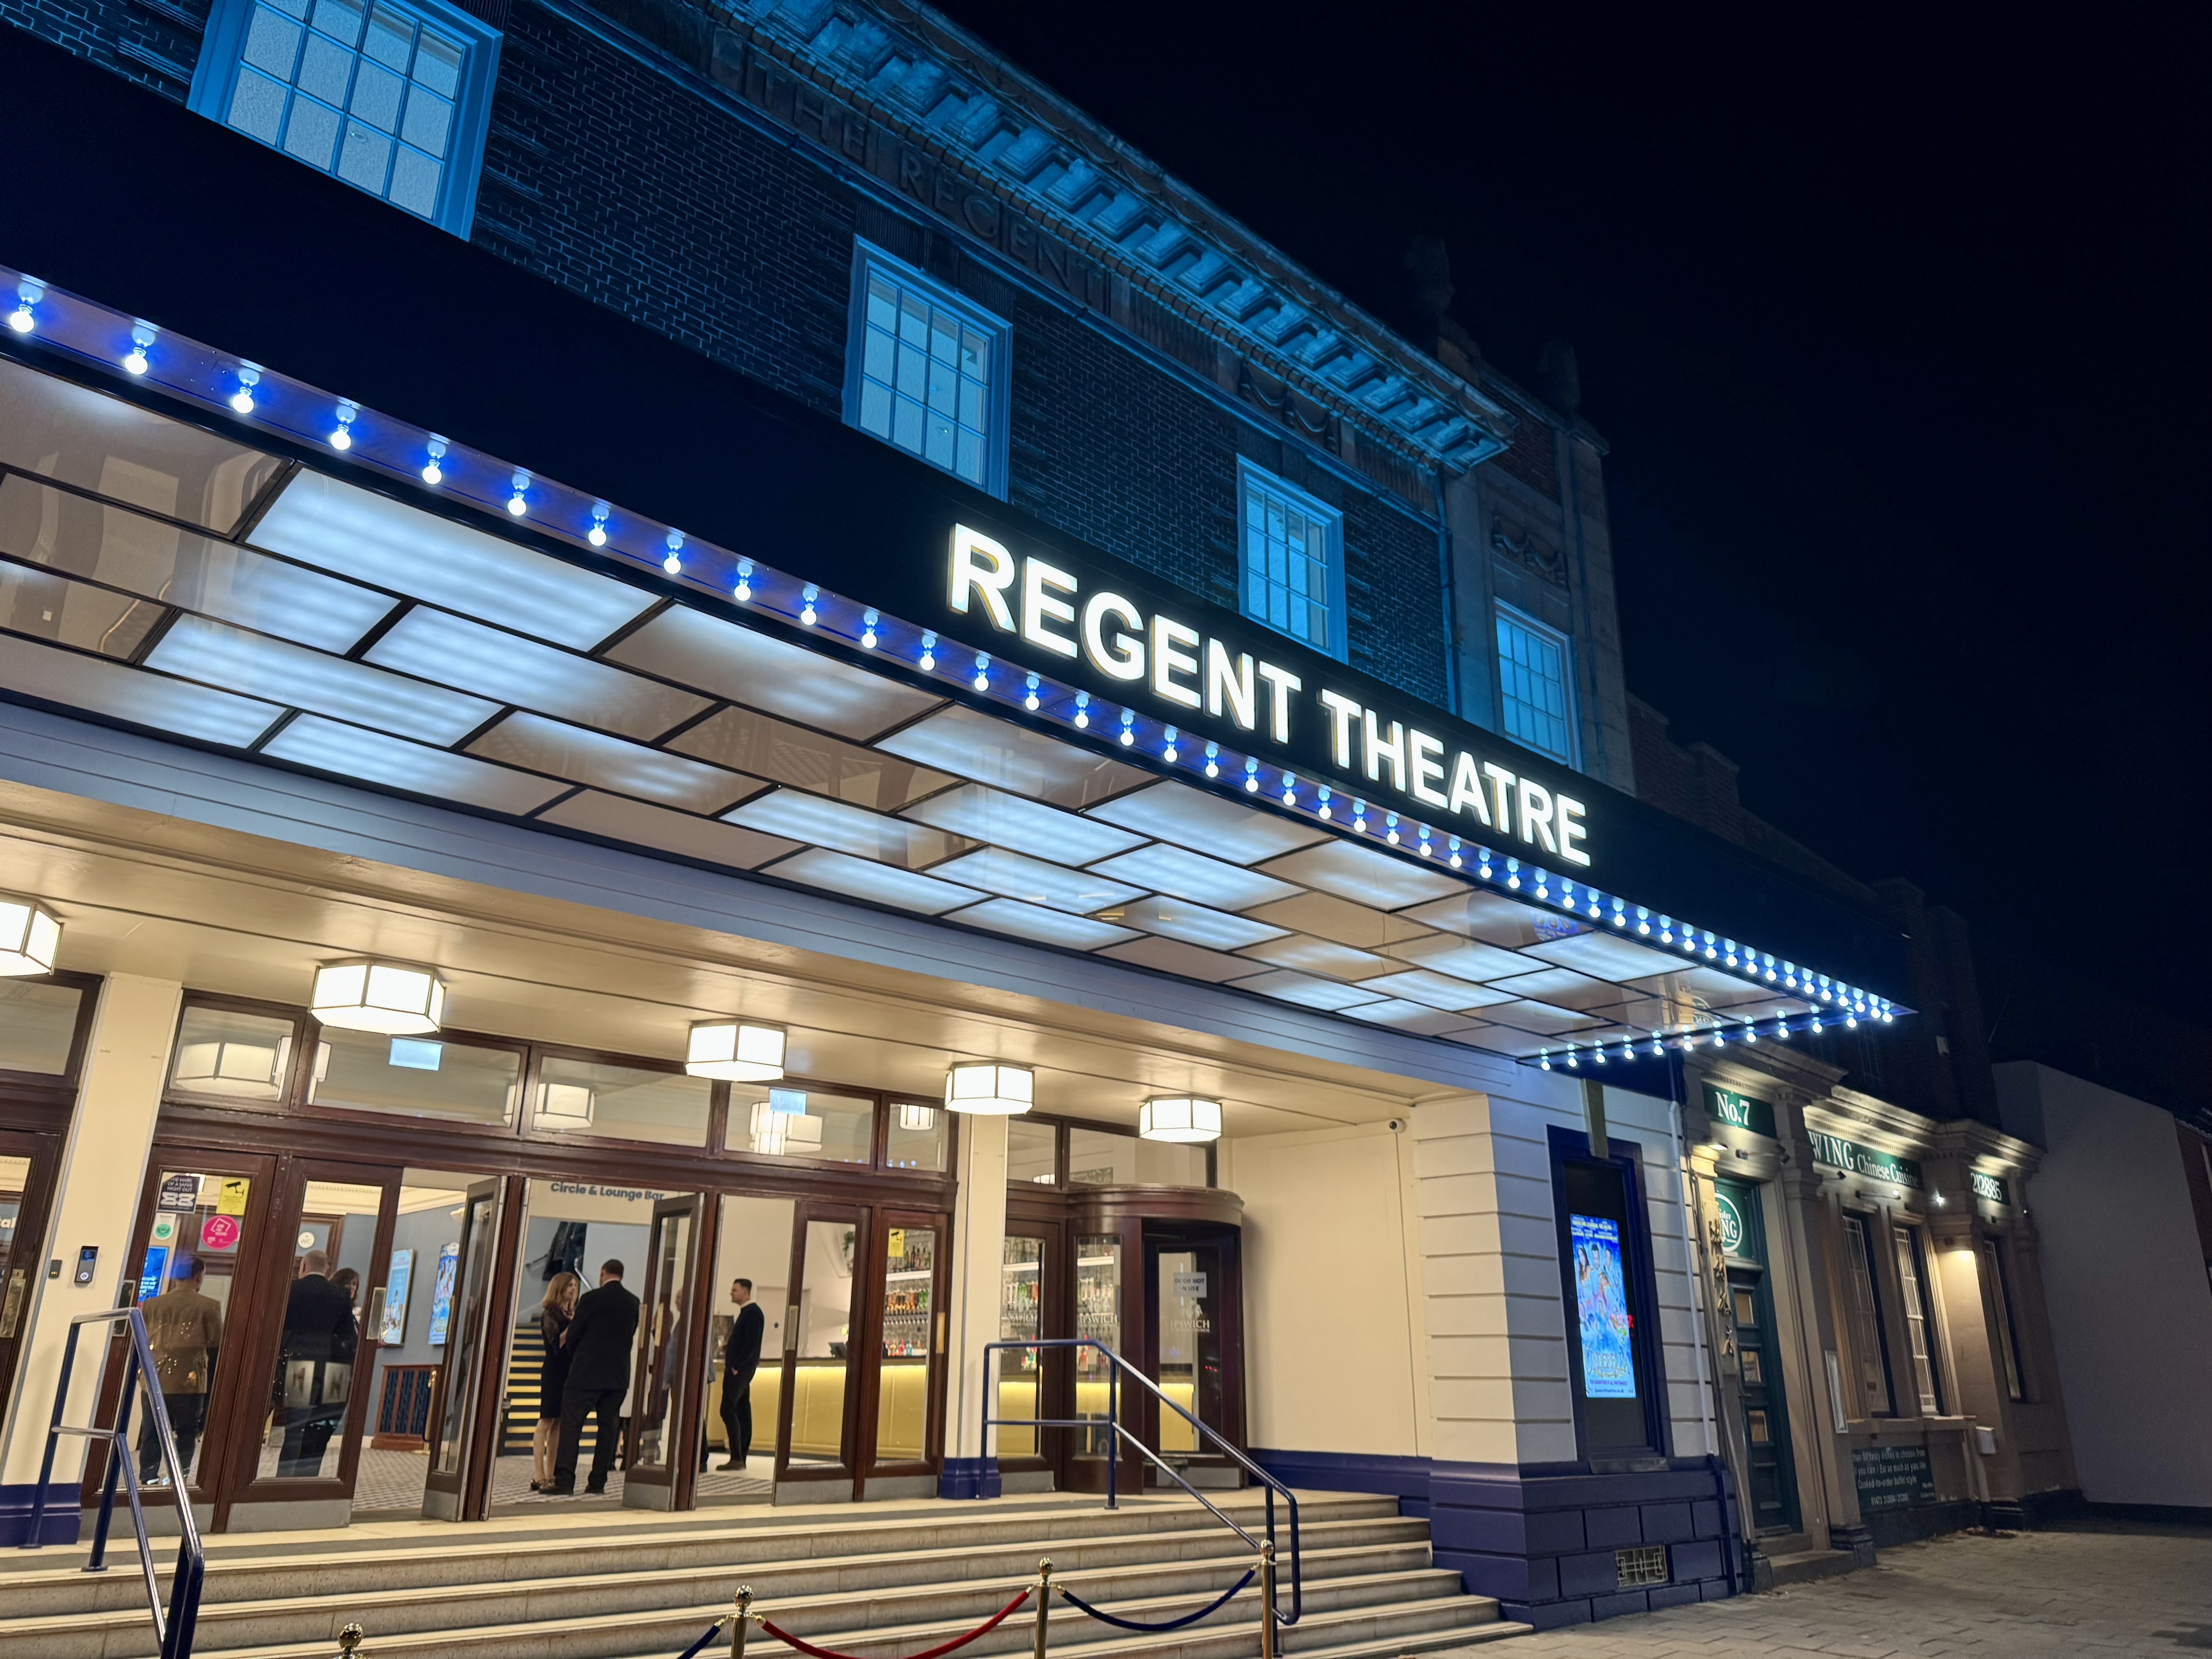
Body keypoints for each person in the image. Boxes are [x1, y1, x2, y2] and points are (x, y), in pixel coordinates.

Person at [550, 1259, 639, 1496]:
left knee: (572, 1425)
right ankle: (597, 1483)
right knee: (608, 1428)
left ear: (602, 1274)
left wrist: (578, 1357)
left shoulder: (591, 1299)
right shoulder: (633, 1302)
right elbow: (630, 1334)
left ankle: (565, 1481)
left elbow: (575, 1334)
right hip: (618, 1375)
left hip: (586, 1373)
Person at [137, 1255, 222, 1485]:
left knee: (151, 1430)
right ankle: (179, 1475)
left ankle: (148, 1476)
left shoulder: (152, 1305)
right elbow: (215, 1345)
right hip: (190, 1380)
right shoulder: (209, 1306)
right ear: (198, 1277)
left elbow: (142, 1340)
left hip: (154, 1379)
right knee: (187, 1431)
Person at [276, 1249, 358, 1477]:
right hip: (328, 1370)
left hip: (294, 1364)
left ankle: (281, 1482)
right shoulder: (340, 1296)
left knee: (293, 1430)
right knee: (311, 1428)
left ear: (303, 1267)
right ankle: (301, 1480)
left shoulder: (290, 1290)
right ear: (327, 1270)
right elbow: (348, 1338)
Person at [531, 1272, 580, 1492]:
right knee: (546, 1421)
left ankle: (551, 1473)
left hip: (569, 1372)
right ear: (559, 1288)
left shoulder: (573, 1314)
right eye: (569, 1285)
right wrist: (573, 1326)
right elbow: (555, 1343)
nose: (573, 1289)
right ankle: (539, 1473)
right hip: (553, 1371)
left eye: (575, 1286)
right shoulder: (551, 1314)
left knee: (559, 1423)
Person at [716, 1277, 764, 1471]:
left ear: (745, 1292)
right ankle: (740, 1456)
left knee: (727, 1410)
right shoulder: (748, 1313)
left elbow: (752, 1345)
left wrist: (737, 1366)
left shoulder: (752, 1314)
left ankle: (737, 1456)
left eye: (735, 1290)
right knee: (742, 1411)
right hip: (741, 1369)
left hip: (740, 1371)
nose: (731, 1293)